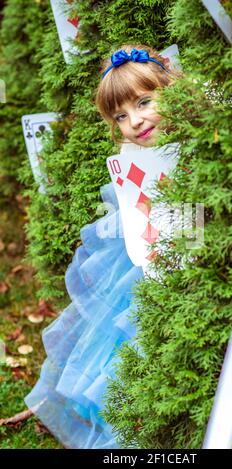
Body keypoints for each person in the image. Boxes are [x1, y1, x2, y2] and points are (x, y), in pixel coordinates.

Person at [24, 44, 178, 449]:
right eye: (121, 116)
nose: (136, 121)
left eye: (145, 102)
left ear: (170, 87)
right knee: (122, 341)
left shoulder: (200, 137)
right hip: (142, 257)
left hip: (184, 246)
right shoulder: (132, 157)